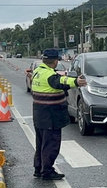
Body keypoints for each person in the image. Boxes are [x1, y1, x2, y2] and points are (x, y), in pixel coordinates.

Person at [31, 48, 86, 180]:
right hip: (51, 116)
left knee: (41, 143)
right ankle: (47, 171)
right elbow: (61, 82)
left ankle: (39, 168)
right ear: (55, 61)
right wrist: (76, 82)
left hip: (39, 114)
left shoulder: (38, 71)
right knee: (51, 144)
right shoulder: (49, 75)